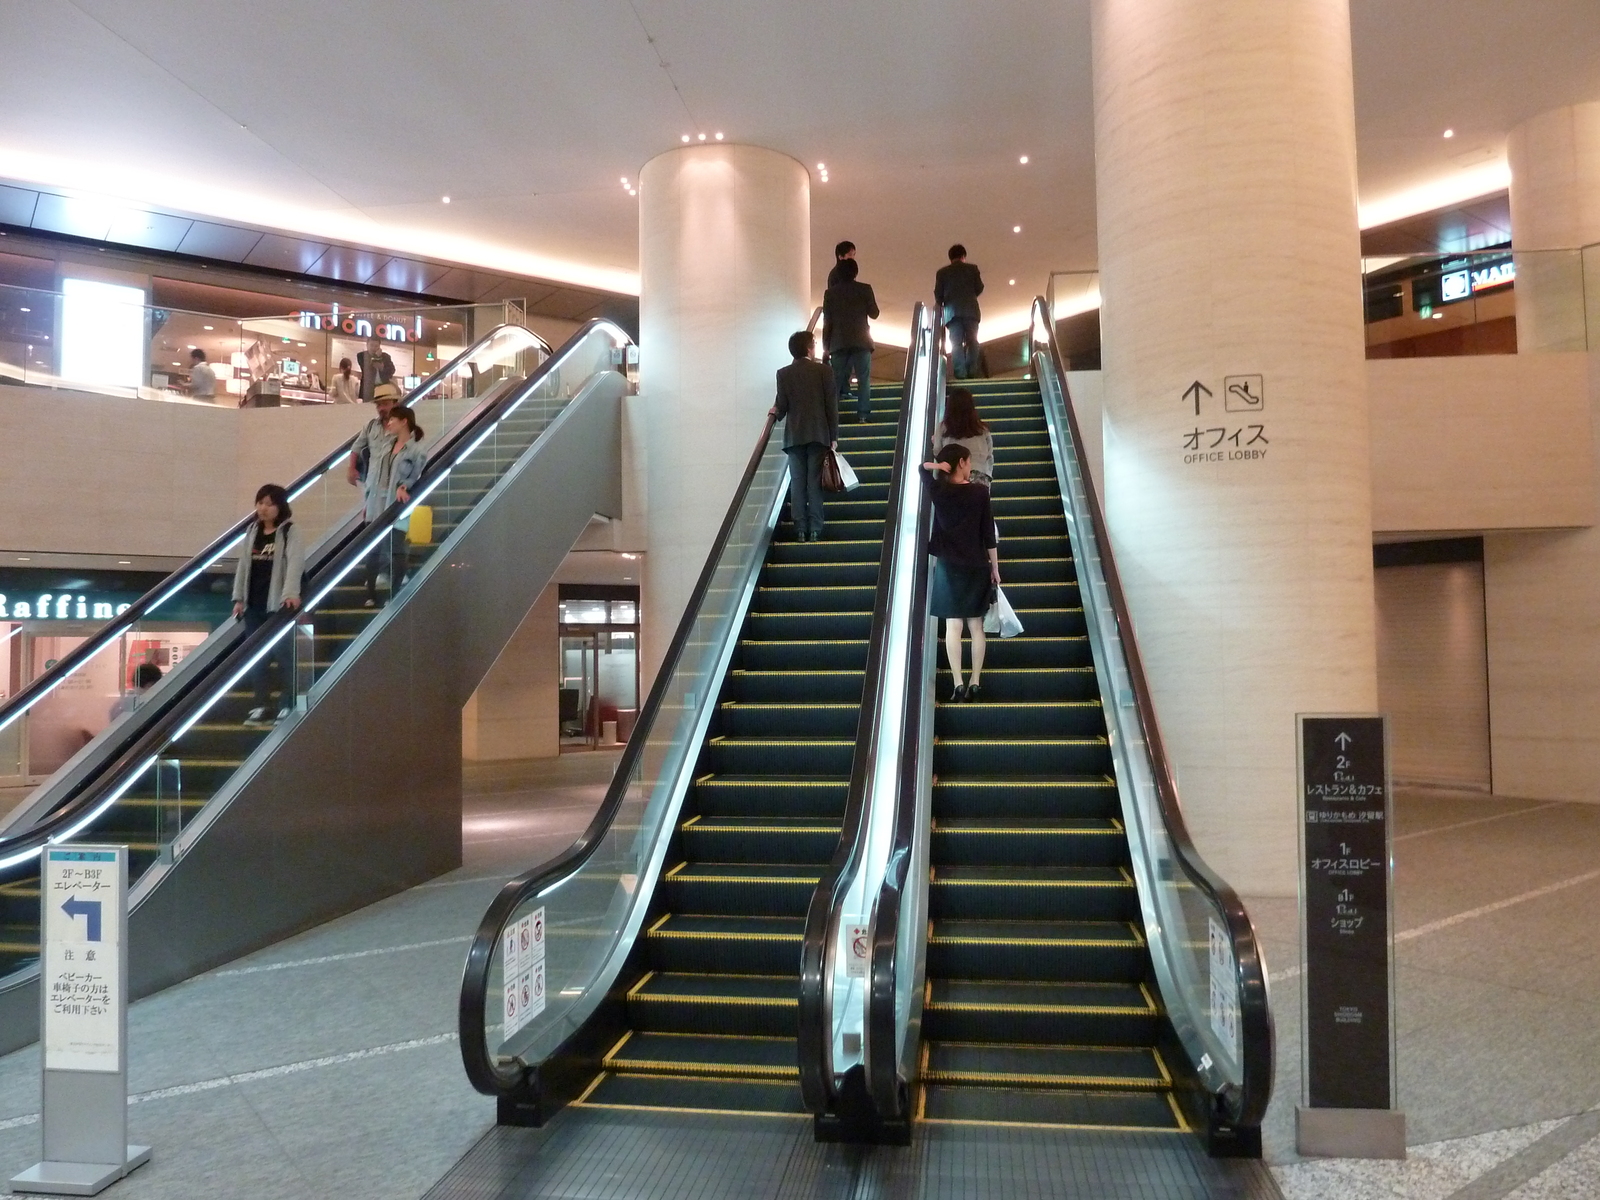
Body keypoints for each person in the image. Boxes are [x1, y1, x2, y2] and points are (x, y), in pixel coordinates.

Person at [923, 443, 999, 702]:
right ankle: (976, 681)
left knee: (953, 626)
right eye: (967, 462)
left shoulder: (938, 491)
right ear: (963, 463)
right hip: (977, 564)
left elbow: (921, 470)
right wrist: (995, 568)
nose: (970, 467)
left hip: (948, 566)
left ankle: (957, 683)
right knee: (976, 626)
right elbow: (989, 533)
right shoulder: (980, 493)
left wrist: (936, 467)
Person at [231, 484, 305, 725]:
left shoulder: (289, 532)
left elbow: (295, 563)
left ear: (279, 507)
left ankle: (287, 703)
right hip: (254, 605)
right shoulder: (252, 531)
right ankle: (261, 704)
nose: (263, 508)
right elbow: (243, 566)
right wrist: (239, 598)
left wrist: (291, 593)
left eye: (269, 503)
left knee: (284, 654)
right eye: (260, 502)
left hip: (279, 604)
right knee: (257, 657)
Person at [769, 330, 839, 543]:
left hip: (794, 437)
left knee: (798, 483)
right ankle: (816, 528)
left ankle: (800, 529)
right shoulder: (824, 371)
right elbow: (831, 407)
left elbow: (782, 405)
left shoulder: (783, 373)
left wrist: (774, 412)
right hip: (818, 435)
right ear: (810, 348)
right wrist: (833, 436)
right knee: (814, 483)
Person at [363, 404, 428, 605]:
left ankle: (395, 594)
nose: (388, 423)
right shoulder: (386, 445)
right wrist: (368, 498)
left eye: (393, 420)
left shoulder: (416, 449)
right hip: (376, 501)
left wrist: (404, 486)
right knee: (372, 549)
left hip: (397, 503)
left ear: (404, 421)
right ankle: (371, 595)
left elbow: (417, 475)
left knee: (396, 547)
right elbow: (375, 472)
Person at [822, 258, 879, 422]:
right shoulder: (865, 289)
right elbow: (874, 313)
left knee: (836, 381)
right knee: (863, 379)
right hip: (862, 342)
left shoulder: (830, 293)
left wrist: (826, 346)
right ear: (856, 272)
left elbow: (828, 322)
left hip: (838, 343)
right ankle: (863, 415)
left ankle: (833, 417)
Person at [935, 244, 985, 380]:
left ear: (950, 258)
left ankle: (960, 374)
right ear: (964, 256)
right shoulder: (972, 269)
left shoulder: (942, 273)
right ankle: (972, 371)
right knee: (973, 342)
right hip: (971, 312)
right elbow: (979, 288)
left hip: (952, 314)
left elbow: (938, 296)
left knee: (956, 344)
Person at [931, 386, 994, 486]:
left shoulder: (943, 427)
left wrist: (935, 442)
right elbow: (989, 455)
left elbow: (938, 451)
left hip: (953, 477)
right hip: (980, 476)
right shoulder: (982, 429)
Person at [346, 382, 402, 488]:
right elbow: (356, 448)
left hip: (395, 486)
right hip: (373, 485)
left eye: (385, 404)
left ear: (395, 404)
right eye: (378, 405)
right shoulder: (371, 426)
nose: (381, 408)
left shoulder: (404, 427)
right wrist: (351, 469)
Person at [357, 337, 396, 402]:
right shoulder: (361, 355)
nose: (373, 348)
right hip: (368, 389)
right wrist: (376, 356)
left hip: (383, 388)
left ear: (379, 346)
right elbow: (366, 368)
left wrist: (382, 368)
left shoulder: (385, 356)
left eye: (376, 346)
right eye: (371, 345)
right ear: (367, 345)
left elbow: (392, 370)